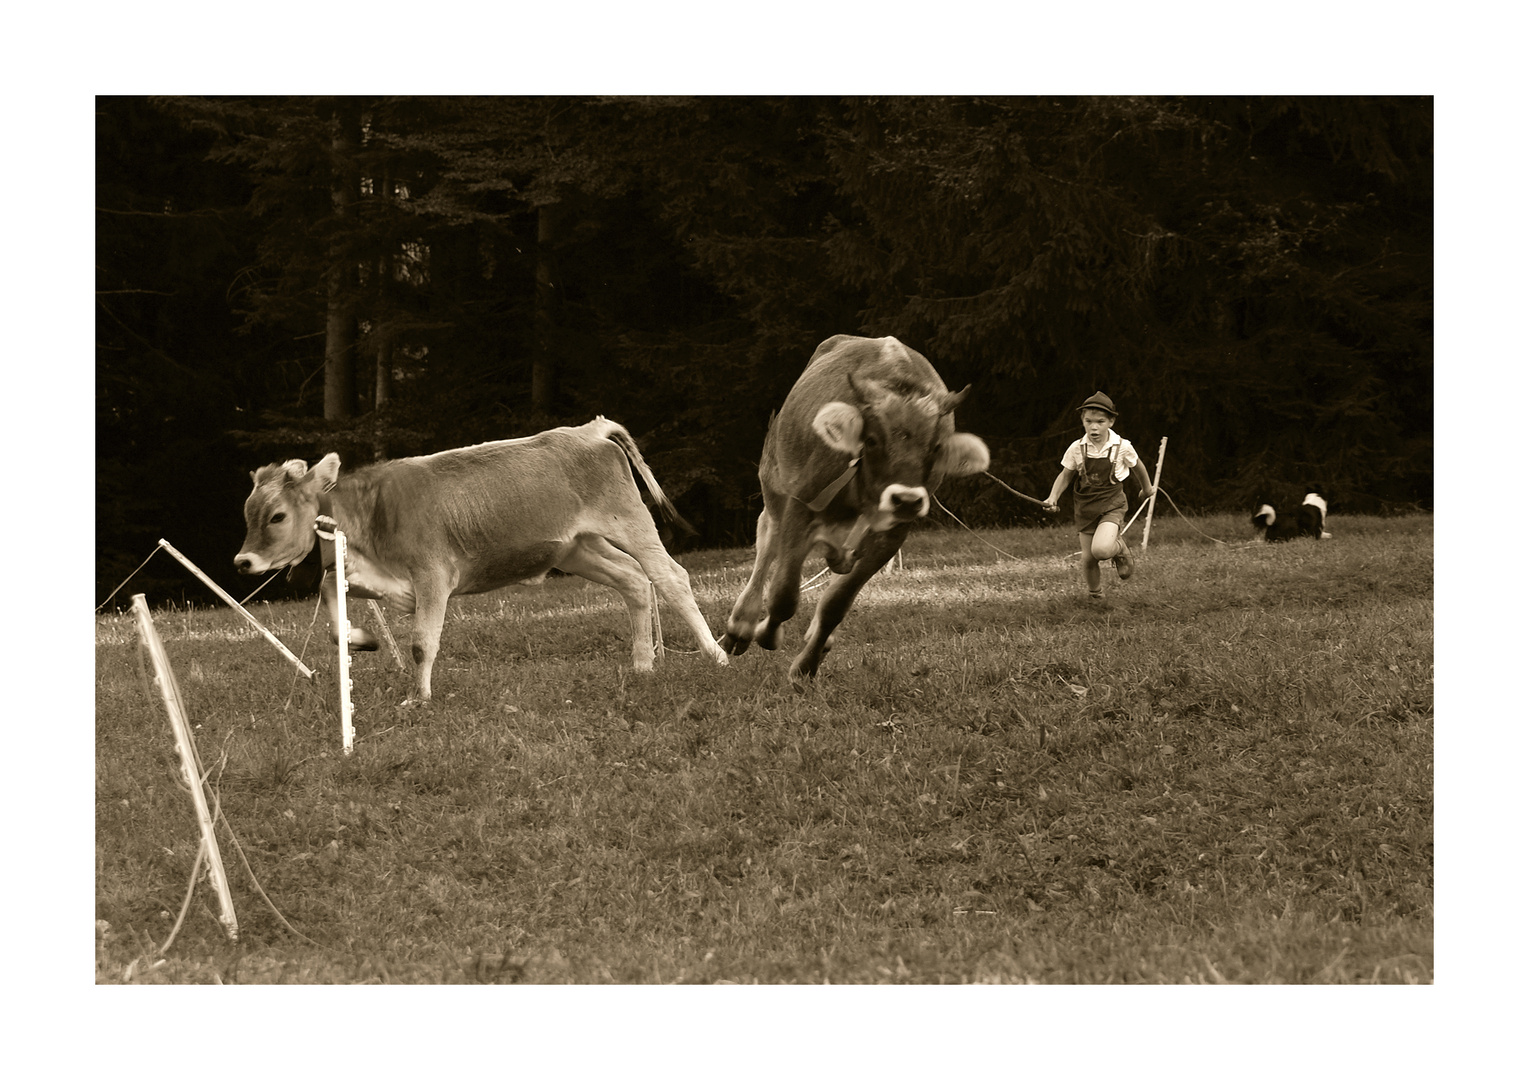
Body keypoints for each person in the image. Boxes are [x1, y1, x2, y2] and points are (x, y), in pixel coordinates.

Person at [1041, 391, 1155, 600]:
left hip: (1112, 505)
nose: (1094, 427)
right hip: (1085, 508)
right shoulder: (1077, 448)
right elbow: (1065, 475)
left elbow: (1138, 466)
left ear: (1111, 421)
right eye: (1088, 421)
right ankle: (1096, 597)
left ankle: (1119, 547)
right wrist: (1052, 497)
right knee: (1088, 558)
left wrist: (1146, 489)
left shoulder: (1121, 446)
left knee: (1101, 550)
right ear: (1082, 421)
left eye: (1100, 421)